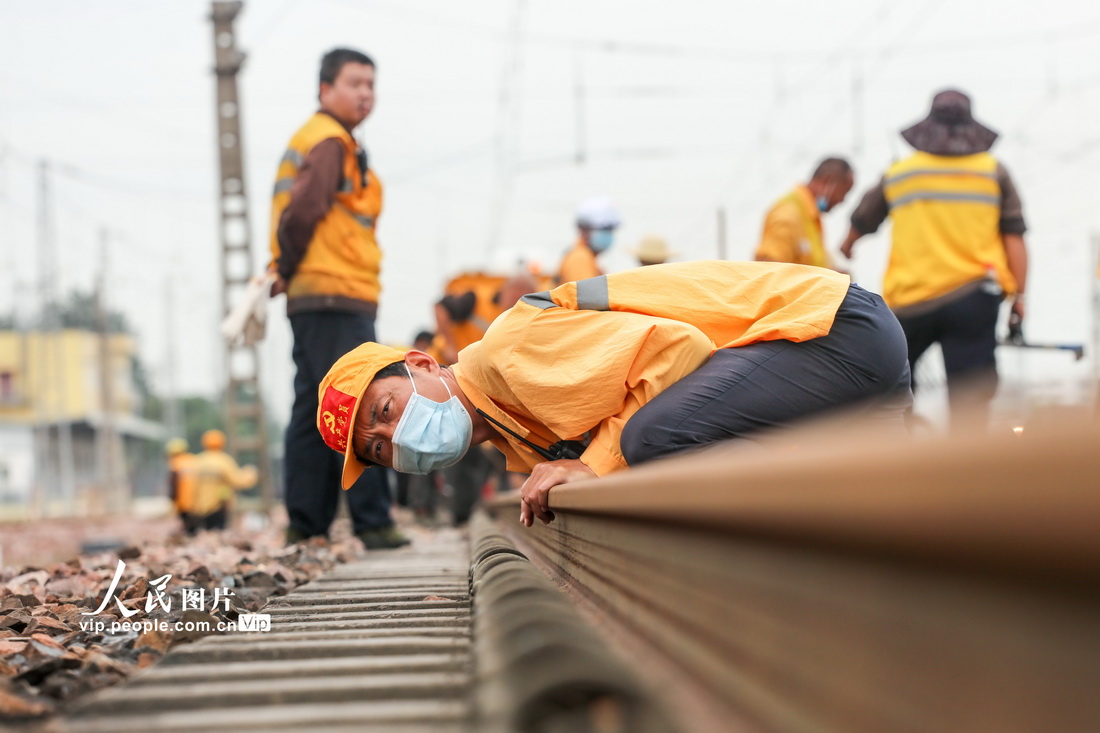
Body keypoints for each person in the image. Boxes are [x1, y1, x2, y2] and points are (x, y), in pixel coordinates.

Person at [315, 261, 912, 529]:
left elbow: (679, 350)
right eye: (382, 449)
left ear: (420, 363)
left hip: (828, 330)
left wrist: (592, 464)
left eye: (386, 411)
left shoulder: (508, 356)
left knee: (649, 438)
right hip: (826, 349)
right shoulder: (515, 430)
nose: (396, 438)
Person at [267, 47, 408, 549]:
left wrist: (286, 269)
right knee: (363, 400)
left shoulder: (326, 141)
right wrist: (286, 263)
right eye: (354, 83)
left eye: (371, 84)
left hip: (318, 296)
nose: (365, 93)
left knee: (313, 404)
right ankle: (373, 521)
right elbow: (303, 213)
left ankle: (306, 523)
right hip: (335, 294)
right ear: (325, 89)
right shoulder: (329, 142)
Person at [838, 89, 1028, 429]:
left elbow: (863, 219)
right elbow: (1014, 237)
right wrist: (1020, 297)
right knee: (970, 400)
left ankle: (905, 466)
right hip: (974, 296)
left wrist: (848, 244)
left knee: (893, 390)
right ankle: (967, 473)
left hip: (911, 302)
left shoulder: (900, 173)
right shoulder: (993, 172)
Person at [755, 157, 854, 270]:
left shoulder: (810, 218)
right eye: (844, 192)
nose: (842, 200)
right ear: (828, 181)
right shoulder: (787, 214)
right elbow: (768, 270)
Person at [191, 430, 258, 531]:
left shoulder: (198, 461)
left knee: (206, 532)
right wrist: (250, 474)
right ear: (222, 443)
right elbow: (238, 480)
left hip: (199, 508)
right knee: (218, 532)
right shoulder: (224, 461)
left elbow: (191, 485)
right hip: (219, 506)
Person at [557, 196, 620, 284]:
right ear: (584, 229)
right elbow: (587, 296)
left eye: (610, 229)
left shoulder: (589, 258)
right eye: (604, 229)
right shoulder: (580, 258)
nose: (608, 234)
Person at [164, 438, 198, 535]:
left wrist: (172, 497)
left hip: (183, 502)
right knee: (194, 525)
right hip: (197, 501)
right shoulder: (194, 460)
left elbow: (173, 484)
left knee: (187, 523)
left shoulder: (174, 464)